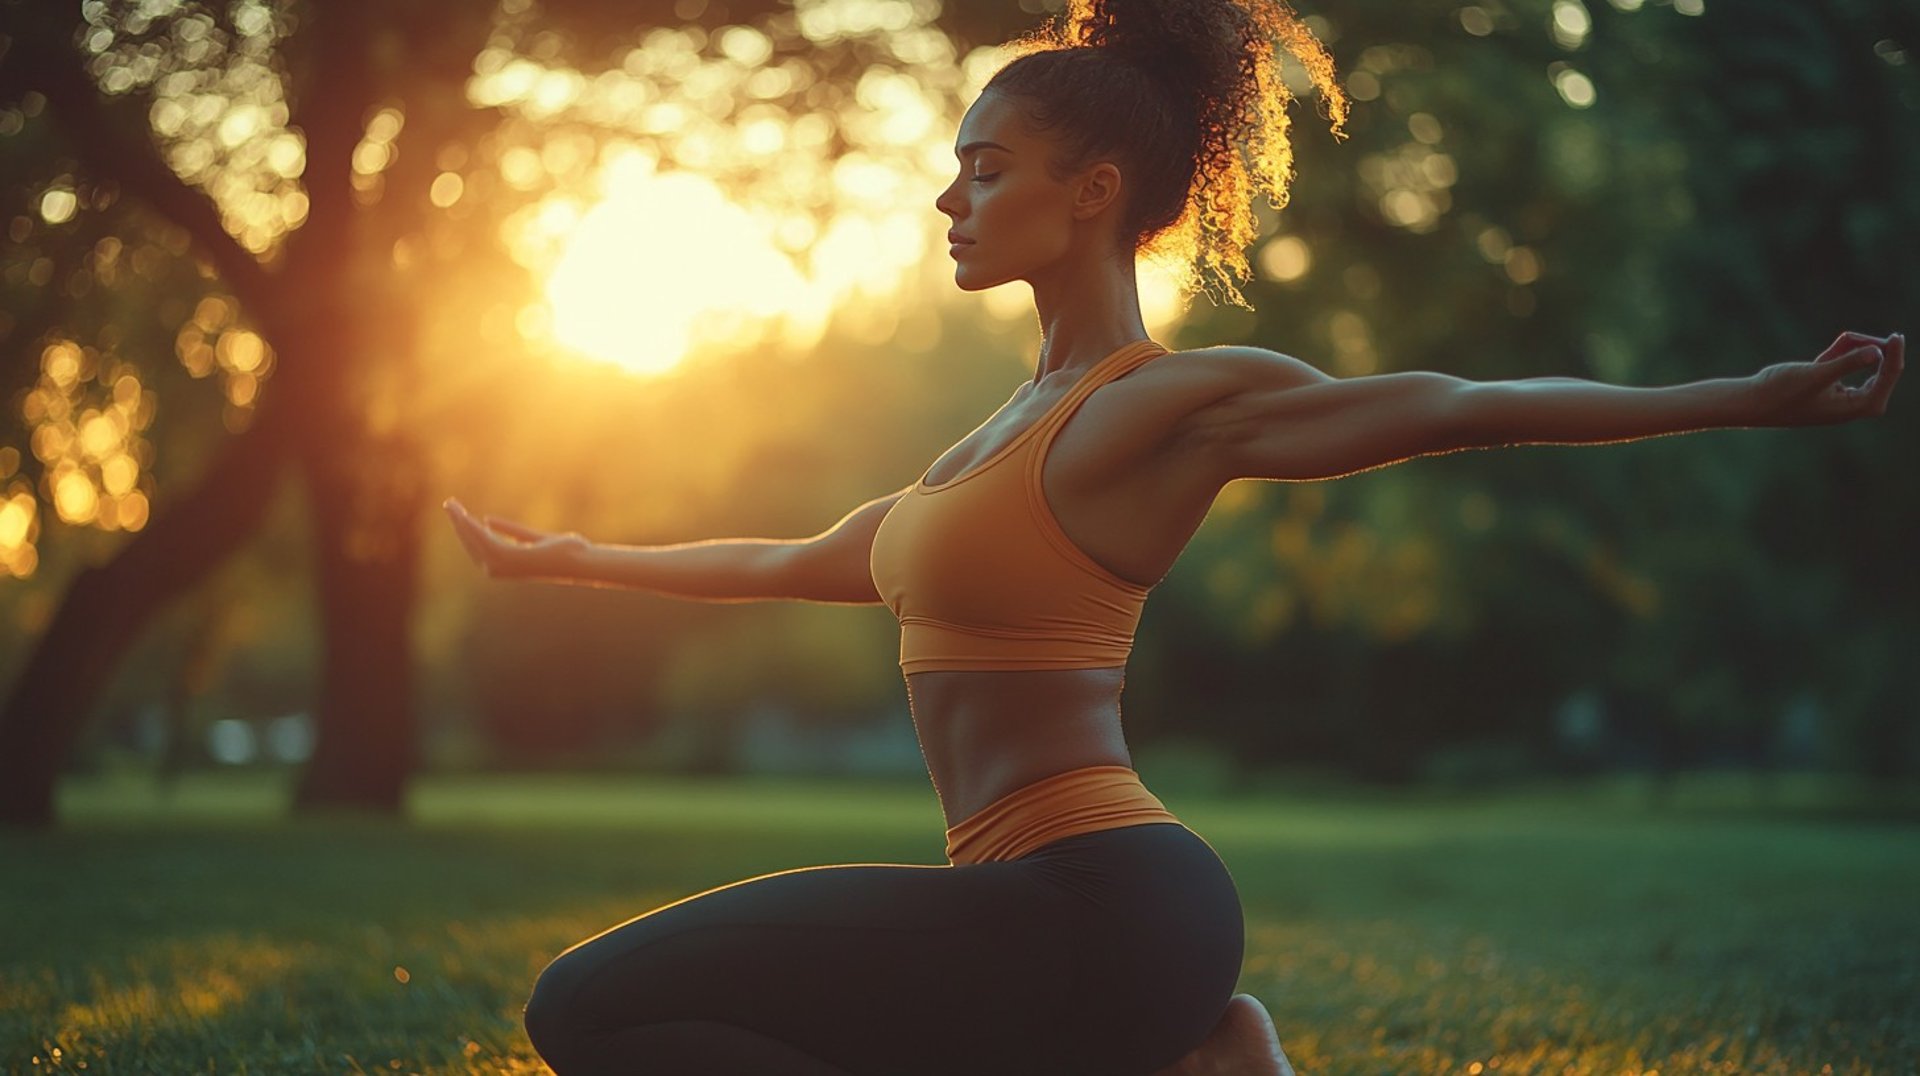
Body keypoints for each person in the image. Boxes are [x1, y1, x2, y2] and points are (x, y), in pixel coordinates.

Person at [442, 0, 1905, 1070]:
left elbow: (1455, 402)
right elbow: (783, 560)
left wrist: (1753, 397)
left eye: (988, 168)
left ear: (1095, 198)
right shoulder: (978, 451)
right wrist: (563, 553)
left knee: (585, 1008)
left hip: (1101, 898)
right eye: (955, 166)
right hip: (1058, 922)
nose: (949, 197)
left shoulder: (1169, 408)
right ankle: (1207, 1056)